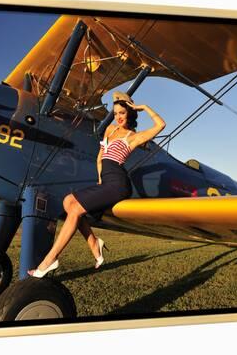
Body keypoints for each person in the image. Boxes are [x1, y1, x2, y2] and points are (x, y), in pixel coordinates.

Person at [28, 91, 166, 277]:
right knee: (68, 202)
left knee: (75, 209)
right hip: (106, 181)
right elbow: (101, 157)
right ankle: (94, 242)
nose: (118, 117)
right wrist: (100, 178)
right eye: (116, 113)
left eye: (122, 113)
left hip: (118, 184)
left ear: (130, 114)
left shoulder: (133, 137)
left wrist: (143, 107)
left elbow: (161, 125)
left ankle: (50, 259)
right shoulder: (110, 130)